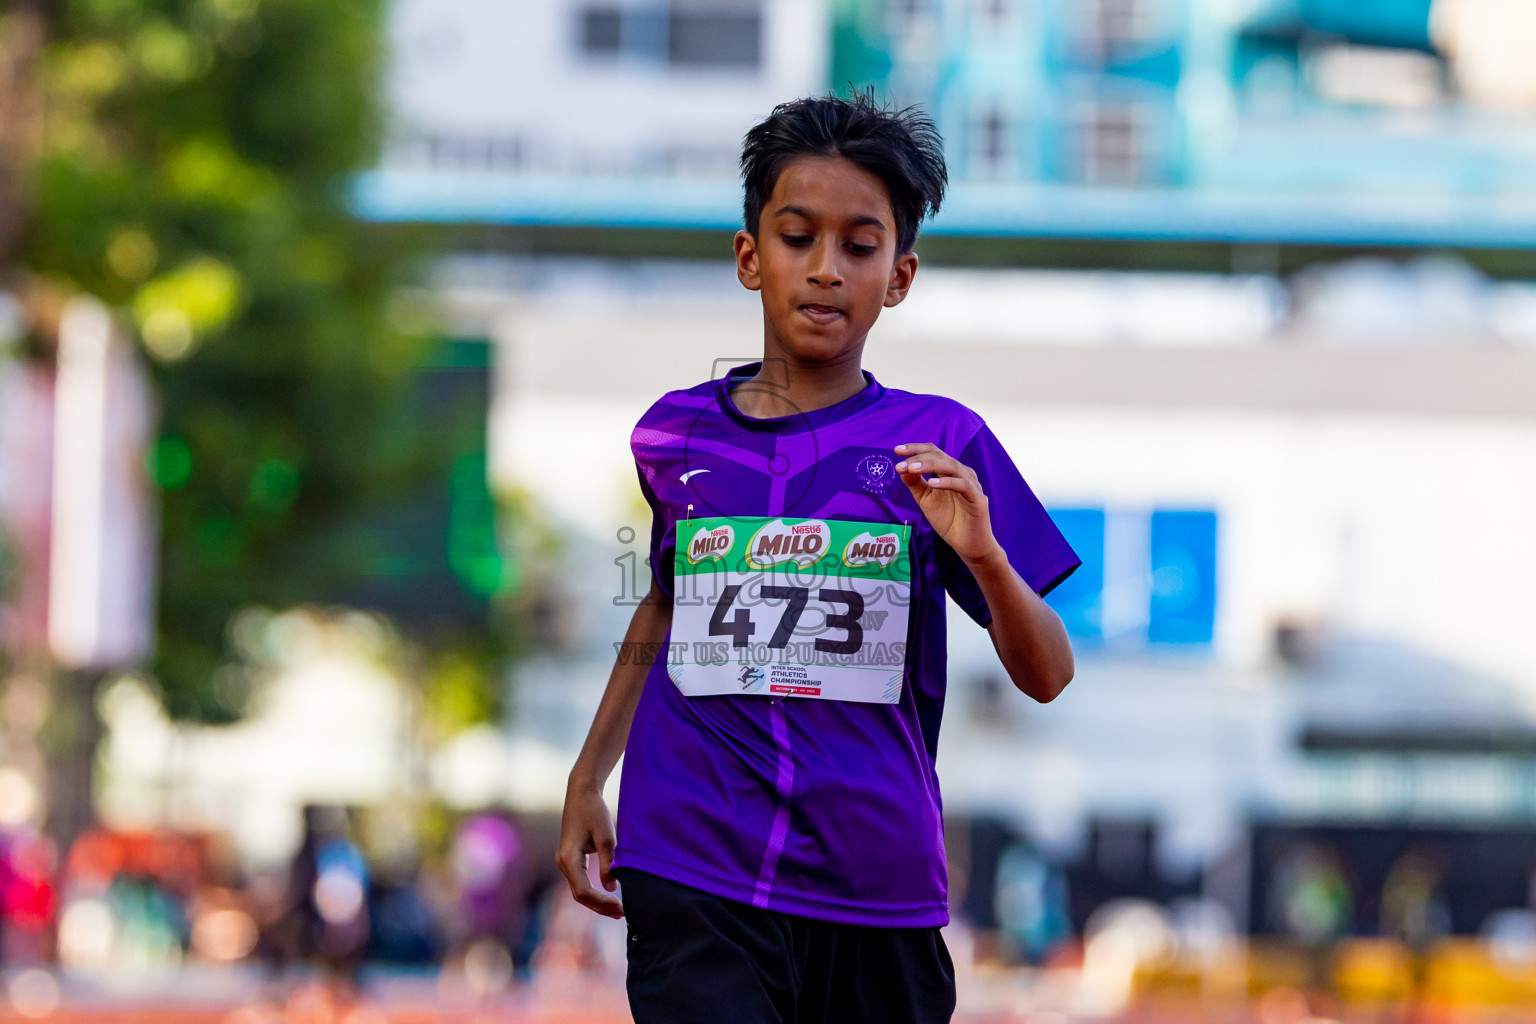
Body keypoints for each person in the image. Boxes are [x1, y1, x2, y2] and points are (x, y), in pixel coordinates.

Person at [556, 92, 1081, 1024]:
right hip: (690, 852)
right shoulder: (671, 435)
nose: (826, 269)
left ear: (901, 274)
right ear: (751, 256)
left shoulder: (943, 443)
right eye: (798, 238)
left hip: (872, 876)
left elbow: (1048, 676)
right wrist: (589, 776)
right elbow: (666, 605)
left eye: (860, 245)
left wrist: (988, 559)